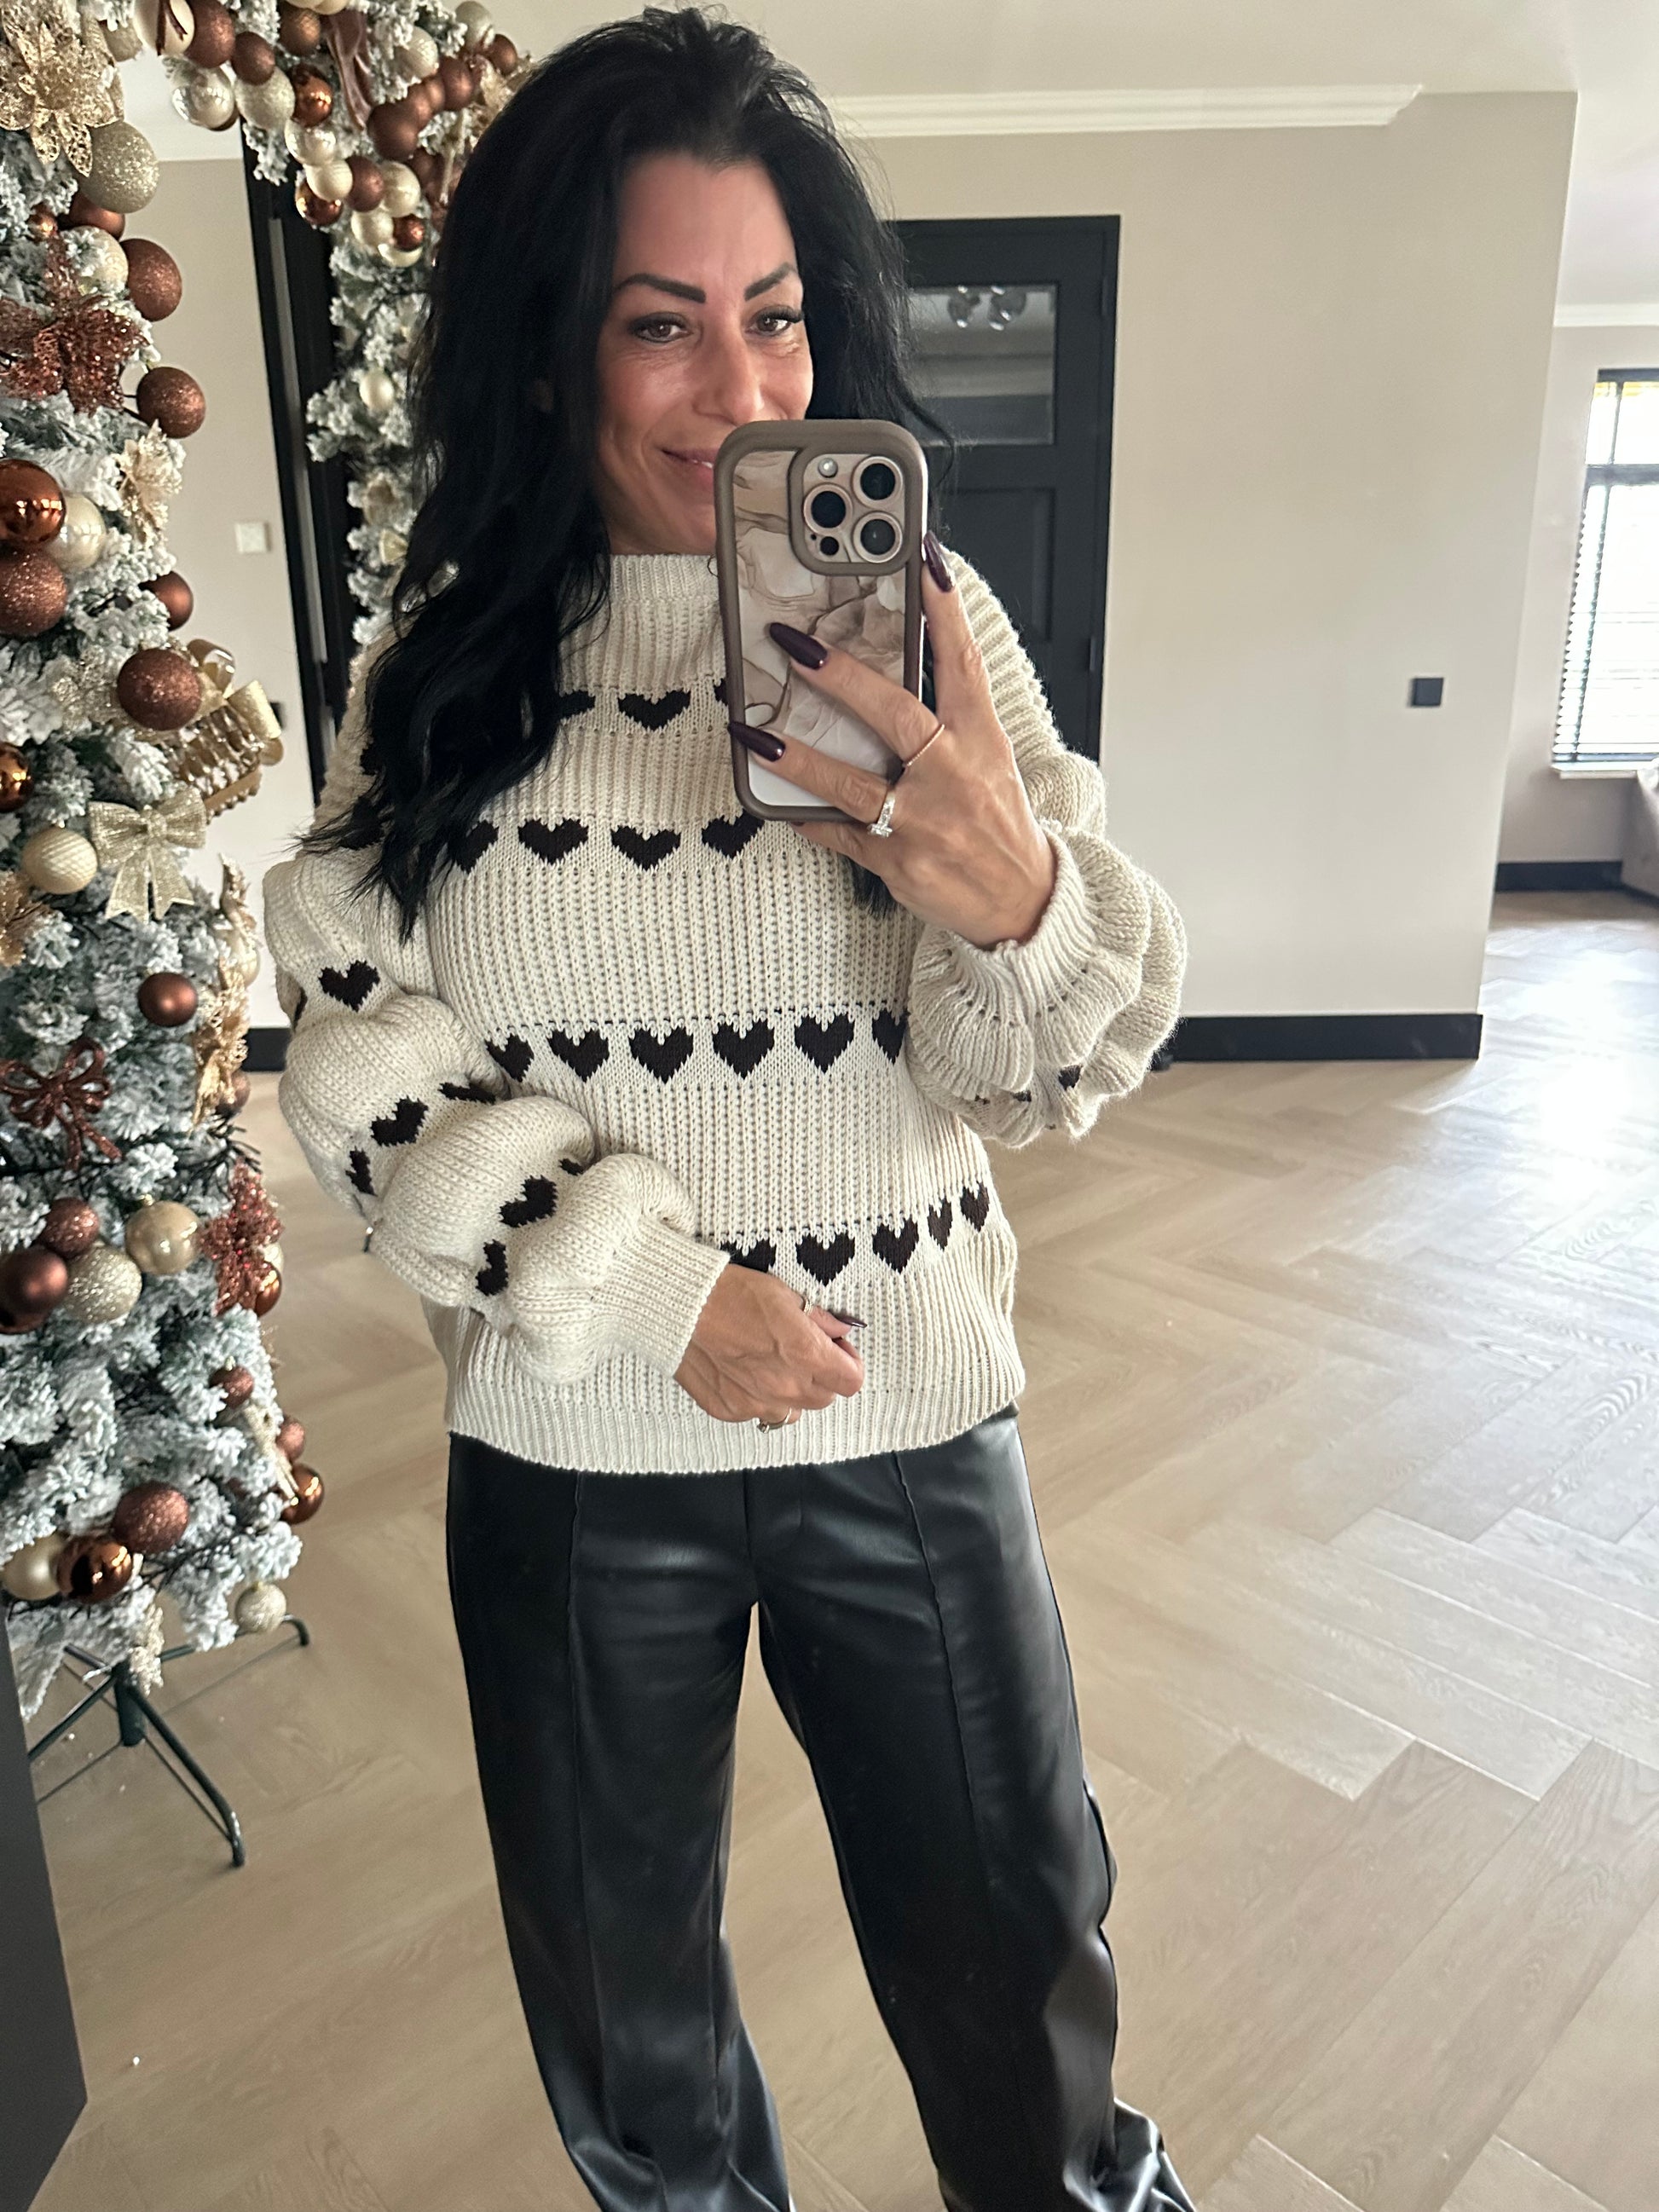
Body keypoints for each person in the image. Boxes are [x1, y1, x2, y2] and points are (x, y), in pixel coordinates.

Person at [263, 10, 1192, 2209]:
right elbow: (360, 1045)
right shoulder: (446, 666)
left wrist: (1009, 895)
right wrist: (660, 1293)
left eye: (774, 317)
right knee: (633, 2049)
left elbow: (1052, 1067)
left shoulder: (931, 620)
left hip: (909, 1406)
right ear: (550, 352)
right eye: (661, 326)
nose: (744, 392)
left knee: (1021, 1991)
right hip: (580, 1444)